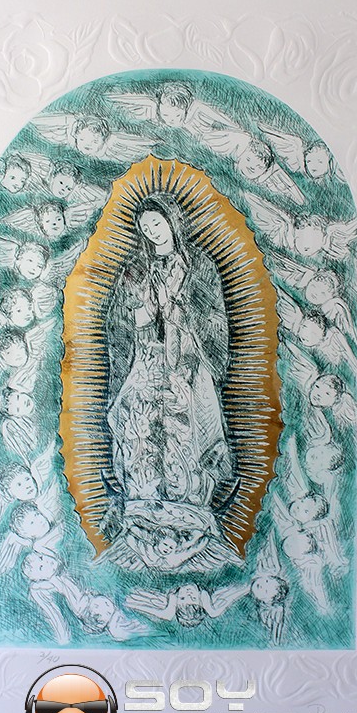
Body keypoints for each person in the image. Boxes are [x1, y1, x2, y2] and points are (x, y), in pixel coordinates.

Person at [105, 193, 234, 510]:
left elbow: (215, 317)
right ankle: (142, 488)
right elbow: (119, 319)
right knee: (134, 413)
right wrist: (140, 315)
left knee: (192, 417)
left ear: (172, 221)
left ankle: (194, 491)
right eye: (145, 227)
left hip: (188, 358)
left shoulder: (199, 266)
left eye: (157, 222)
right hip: (147, 355)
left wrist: (184, 313)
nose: (152, 231)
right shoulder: (136, 269)